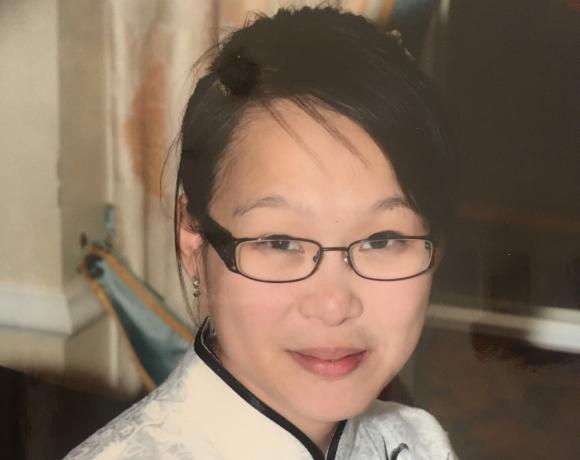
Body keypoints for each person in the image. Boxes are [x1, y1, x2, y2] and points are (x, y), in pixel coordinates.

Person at [65, 6, 457, 460]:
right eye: (279, 242)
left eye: (382, 240)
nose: (333, 305)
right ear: (193, 237)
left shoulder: (418, 441)